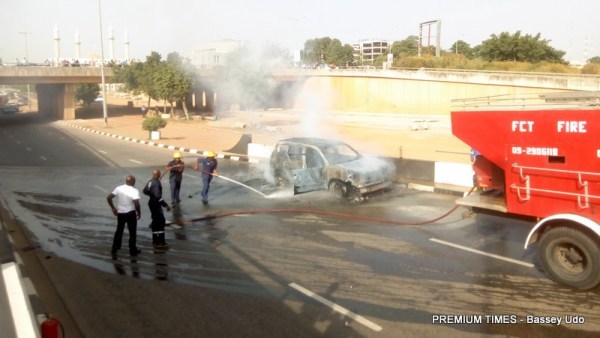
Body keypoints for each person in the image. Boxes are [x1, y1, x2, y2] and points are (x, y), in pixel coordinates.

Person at [107, 175, 141, 259]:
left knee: (119, 230)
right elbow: (136, 203)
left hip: (121, 213)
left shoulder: (119, 188)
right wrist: (139, 212)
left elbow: (109, 197)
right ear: (133, 182)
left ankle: (114, 248)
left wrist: (113, 208)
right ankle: (132, 250)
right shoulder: (135, 190)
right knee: (132, 232)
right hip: (130, 213)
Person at [143, 169, 171, 249]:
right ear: (158, 174)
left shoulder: (150, 181)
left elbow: (145, 191)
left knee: (155, 222)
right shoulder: (156, 183)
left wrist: (151, 194)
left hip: (151, 202)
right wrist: (166, 205)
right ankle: (161, 242)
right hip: (156, 204)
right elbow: (158, 197)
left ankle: (155, 241)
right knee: (161, 222)